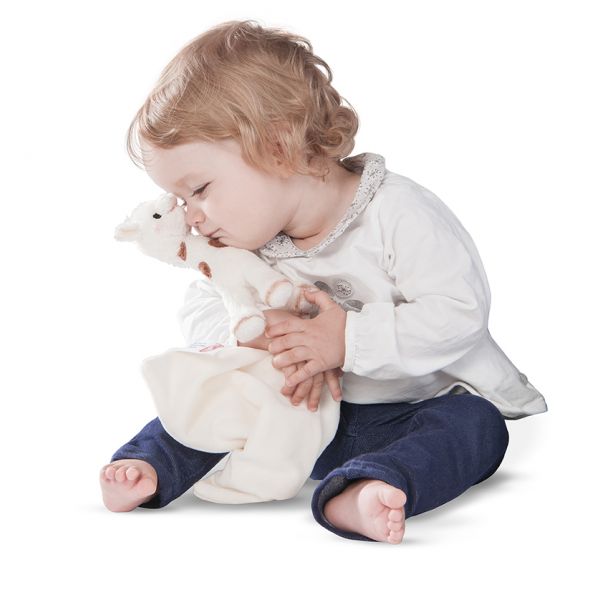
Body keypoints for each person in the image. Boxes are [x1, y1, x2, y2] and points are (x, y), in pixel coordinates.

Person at [99, 19, 547, 544]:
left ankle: (369, 485)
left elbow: (459, 312)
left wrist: (345, 341)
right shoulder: (244, 243)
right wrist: (267, 334)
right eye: (181, 201)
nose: (193, 218)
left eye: (199, 190)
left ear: (276, 145)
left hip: (412, 410)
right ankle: (152, 464)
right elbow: (203, 308)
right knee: (218, 389)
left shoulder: (397, 213)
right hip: (301, 415)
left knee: (476, 426)